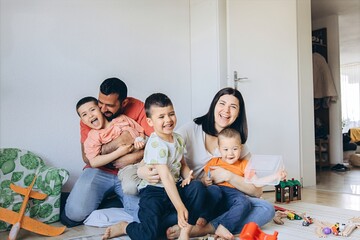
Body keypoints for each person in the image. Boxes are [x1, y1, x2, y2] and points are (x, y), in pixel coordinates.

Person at [138, 87, 275, 238]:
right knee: (158, 216)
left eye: (233, 107)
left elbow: (257, 191)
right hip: (195, 196)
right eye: (222, 103)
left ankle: (203, 228)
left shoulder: (237, 144)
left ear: (239, 113)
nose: (226, 111)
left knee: (266, 209)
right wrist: (141, 171)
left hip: (222, 196)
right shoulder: (191, 130)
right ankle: (193, 221)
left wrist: (228, 176)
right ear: (214, 105)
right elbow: (154, 159)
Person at [102, 93, 207, 240]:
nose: (168, 120)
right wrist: (180, 207)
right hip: (154, 192)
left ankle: (185, 232)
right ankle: (125, 226)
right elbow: (165, 177)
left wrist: (188, 175)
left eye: (171, 114)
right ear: (150, 122)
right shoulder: (156, 144)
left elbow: (182, 164)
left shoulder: (178, 138)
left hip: (174, 187)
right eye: (161, 117)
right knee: (149, 235)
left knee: (198, 188)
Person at [61, 77, 153, 227]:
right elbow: (87, 157)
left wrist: (133, 157)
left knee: (144, 215)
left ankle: (114, 201)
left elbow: (155, 141)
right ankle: (103, 199)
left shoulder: (137, 108)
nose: (102, 110)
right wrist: (119, 143)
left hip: (131, 169)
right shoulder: (90, 114)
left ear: (123, 103)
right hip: (100, 170)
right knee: (74, 214)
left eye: (109, 105)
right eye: (100, 103)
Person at [198, 127, 252, 240]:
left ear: (241, 148)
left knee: (245, 202)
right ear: (219, 149)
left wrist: (275, 176)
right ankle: (204, 216)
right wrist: (205, 181)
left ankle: (223, 226)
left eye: (235, 149)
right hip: (216, 190)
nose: (230, 153)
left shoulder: (244, 164)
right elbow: (204, 178)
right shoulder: (214, 162)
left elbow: (253, 183)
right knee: (213, 191)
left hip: (233, 194)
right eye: (226, 149)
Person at [76, 96, 146, 168]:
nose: (90, 115)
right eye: (84, 114)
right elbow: (93, 162)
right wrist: (119, 152)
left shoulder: (121, 119)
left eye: (92, 109)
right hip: (127, 167)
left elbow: (140, 131)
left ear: (101, 110)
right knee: (130, 178)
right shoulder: (93, 137)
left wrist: (140, 140)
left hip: (144, 156)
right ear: (83, 121)